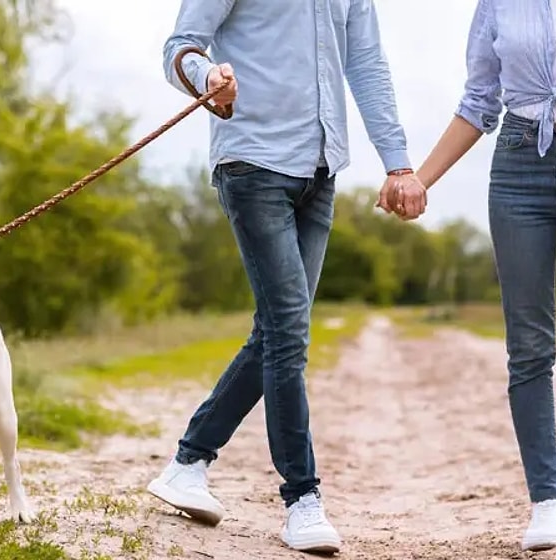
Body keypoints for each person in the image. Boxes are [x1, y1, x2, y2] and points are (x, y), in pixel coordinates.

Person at [378, 0, 556, 551]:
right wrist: (421, 179)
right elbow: (479, 101)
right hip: (518, 168)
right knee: (530, 344)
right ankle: (547, 502)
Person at [146, 0, 426, 554]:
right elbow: (179, 47)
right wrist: (209, 76)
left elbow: (366, 63)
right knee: (289, 331)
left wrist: (398, 162)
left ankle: (188, 463)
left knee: (277, 331)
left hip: (320, 169)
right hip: (252, 162)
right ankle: (301, 499)